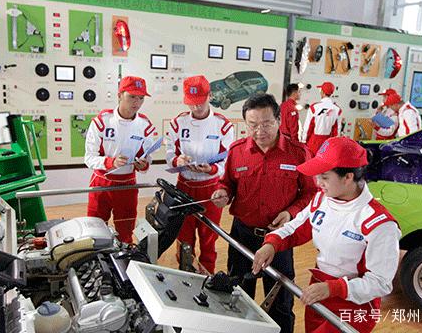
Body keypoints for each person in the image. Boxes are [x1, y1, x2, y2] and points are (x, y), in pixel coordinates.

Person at [252, 137, 401, 333]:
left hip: (353, 305)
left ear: (348, 177)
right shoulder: (322, 200)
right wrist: (272, 243)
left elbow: (380, 283)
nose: (318, 183)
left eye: (324, 177)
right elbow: (297, 226)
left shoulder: (379, 224)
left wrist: (334, 288)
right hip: (319, 293)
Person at [211, 93, 317, 333]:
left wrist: (290, 212)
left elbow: (311, 193)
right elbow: (227, 183)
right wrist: (222, 192)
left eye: (267, 123)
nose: (260, 131)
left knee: (281, 302)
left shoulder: (298, 153)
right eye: (253, 125)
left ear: (278, 120)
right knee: (237, 296)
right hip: (242, 235)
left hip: (279, 239)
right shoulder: (237, 151)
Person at [166, 75, 234, 274]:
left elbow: (227, 161)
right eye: (191, 102)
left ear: (210, 96)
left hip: (210, 188)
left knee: (209, 238)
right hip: (184, 187)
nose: (195, 107)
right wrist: (177, 160)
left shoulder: (223, 125)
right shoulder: (178, 122)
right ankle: (185, 274)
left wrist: (211, 169)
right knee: (184, 238)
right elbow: (169, 152)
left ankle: (207, 277)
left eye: (199, 102)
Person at [84, 76, 157, 243]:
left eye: (141, 98)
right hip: (101, 183)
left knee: (125, 232)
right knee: (95, 231)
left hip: (128, 185)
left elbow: (147, 158)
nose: (137, 102)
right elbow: (89, 158)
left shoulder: (145, 125)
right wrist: (111, 162)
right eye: (132, 96)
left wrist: (143, 165)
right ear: (119, 95)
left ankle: (125, 259)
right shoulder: (102, 121)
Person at [302, 81, 341, 154]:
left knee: (311, 160)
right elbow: (337, 130)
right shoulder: (337, 109)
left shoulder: (314, 107)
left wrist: (304, 141)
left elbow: (308, 127)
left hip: (313, 142)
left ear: (322, 92)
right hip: (327, 143)